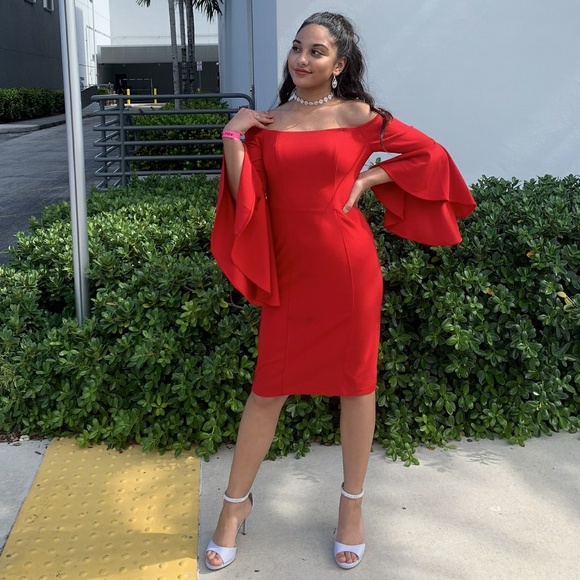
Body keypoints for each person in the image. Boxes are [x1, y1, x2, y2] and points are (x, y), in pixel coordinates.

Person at [208, 11, 476, 571]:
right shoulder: (268, 122)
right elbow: (243, 197)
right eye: (297, 48)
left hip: (349, 271)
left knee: (357, 387)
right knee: (267, 390)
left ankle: (351, 506)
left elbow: (429, 155)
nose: (301, 59)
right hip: (288, 272)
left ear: (339, 64)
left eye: (317, 51)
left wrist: (369, 177)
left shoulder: (359, 115)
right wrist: (234, 134)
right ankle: (234, 506)